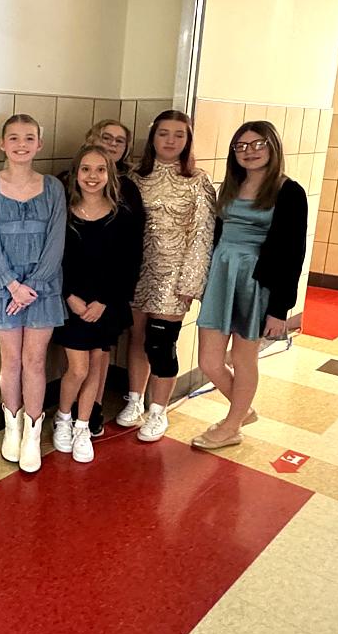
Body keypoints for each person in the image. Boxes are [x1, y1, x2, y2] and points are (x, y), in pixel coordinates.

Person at [194, 121, 307, 449]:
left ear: (273, 147)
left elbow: (292, 255)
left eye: (258, 144)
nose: (249, 152)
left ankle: (231, 426)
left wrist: (279, 310)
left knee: (244, 359)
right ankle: (242, 410)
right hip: (222, 275)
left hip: (258, 283)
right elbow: (213, 237)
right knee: (210, 361)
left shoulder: (289, 192)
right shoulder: (229, 186)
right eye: (241, 146)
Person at [0, 114, 66, 473]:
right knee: (9, 360)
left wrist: (33, 287)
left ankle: (32, 433)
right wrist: (13, 284)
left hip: (44, 287)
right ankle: (10, 428)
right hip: (2, 288)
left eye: (30, 138)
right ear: (2, 144)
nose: (22, 144)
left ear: (39, 144)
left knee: (35, 361)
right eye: (14, 138)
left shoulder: (54, 189)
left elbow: (56, 242)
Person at [118, 109, 215, 442]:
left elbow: (203, 234)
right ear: (153, 137)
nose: (171, 141)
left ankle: (158, 411)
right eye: (164, 133)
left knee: (161, 345)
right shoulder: (134, 175)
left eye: (179, 134)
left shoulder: (198, 180)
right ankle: (134, 401)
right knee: (136, 338)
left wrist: (191, 282)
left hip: (174, 275)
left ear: (188, 140)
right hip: (135, 268)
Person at [51, 144, 143, 463]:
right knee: (77, 369)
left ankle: (82, 428)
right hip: (72, 304)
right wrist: (70, 297)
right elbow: (54, 259)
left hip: (105, 306)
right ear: (76, 173)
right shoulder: (63, 212)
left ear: (110, 174)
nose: (93, 176)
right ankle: (62, 418)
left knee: (94, 370)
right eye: (86, 169)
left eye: (100, 169)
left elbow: (129, 264)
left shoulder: (122, 215)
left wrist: (104, 301)